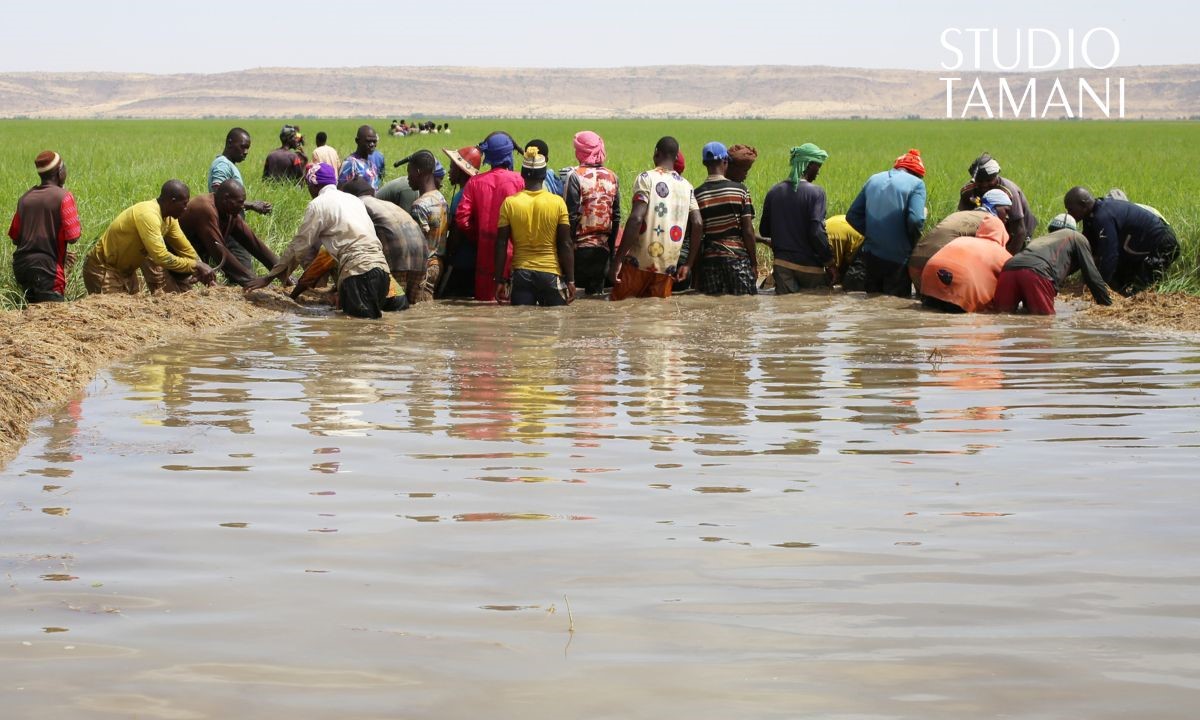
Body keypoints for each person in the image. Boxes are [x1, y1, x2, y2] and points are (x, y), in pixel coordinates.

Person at [245, 163, 406, 318]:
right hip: (382, 271)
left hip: (358, 273)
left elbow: (298, 246)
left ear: (314, 186)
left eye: (308, 186)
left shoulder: (318, 204)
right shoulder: (353, 200)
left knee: (357, 330)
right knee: (371, 328)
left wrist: (269, 277)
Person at [84, 180, 215, 294]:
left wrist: (203, 269)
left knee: (133, 311)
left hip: (127, 273)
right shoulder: (148, 215)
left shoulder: (169, 219)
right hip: (104, 269)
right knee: (114, 312)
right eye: (184, 204)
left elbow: (184, 248)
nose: (186, 208)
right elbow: (161, 257)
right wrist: (194, 265)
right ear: (172, 201)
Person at [610, 136, 701, 301]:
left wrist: (618, 259)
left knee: (621, 306)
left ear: (656, 153)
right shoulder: (687, 186)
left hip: (638, 262)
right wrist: (688, 264)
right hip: (667, 267)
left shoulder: (646, 178)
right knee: (659, 311)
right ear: (676, 157)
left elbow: (636, 218)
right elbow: (697, 222)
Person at [492, 147, 575, 306]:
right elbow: (565, 243)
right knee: (556, 320)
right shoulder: (558, 203)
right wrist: (570, 280)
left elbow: (501, 243)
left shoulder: (510, 203)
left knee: (521, 320)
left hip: (521, 275)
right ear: (544, 175)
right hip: (550, 273)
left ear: (522, 174)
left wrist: (499, 280)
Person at [1064, 186, 1179, 296]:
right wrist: (1062, 274)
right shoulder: (1090, 217)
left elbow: (1110, 255)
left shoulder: (1103, 216)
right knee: (1117, 283)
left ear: (1083, 205)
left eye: (1070, 209)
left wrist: (1098, 287)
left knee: (1139, 291)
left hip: (1162, 244)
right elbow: (1085, 250)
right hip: (1138, 245)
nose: (1068, 214)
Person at [845, 149, 927, 297]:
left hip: (871, 256)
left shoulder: (874, 179)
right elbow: (916, 220)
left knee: (872, 300)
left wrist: (872, 233)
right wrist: (914, 243)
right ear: (917, 173)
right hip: (898, 258)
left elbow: (852, 216)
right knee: (895, 305)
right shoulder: (917, 184)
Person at [993, 214, 1112, 315]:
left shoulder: (1039, 240)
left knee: (1001, 316)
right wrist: (1107, 305)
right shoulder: (1076, 236)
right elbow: (1091, 274)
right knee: (1044, 323)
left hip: (1008, 270)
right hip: (1036, 273)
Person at [455, 131, 525, 300]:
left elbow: (462, 219)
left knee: (485, 305)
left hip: (484, 254)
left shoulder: (474, 182)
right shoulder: (520, 181)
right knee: (512, 304)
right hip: (514, 254)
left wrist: (478, 236)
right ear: (508, 155)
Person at [918, 189, 1013, 313]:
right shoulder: (1003, 255)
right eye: (1006, 211)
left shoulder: (962, 239)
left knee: (929, 311)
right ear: (1004, 235)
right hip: (961, 289)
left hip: (929, 276)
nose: (1008, 216)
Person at [7, 151, 82, 303]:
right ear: (59, 173)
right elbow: (73, 237)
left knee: (32, 314)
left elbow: (16, 238)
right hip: (49, 272)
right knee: (53, 316)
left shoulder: (25, 199)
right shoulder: (64, 196)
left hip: (22, 269)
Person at [178, 179, 282, 287]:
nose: (243, 206)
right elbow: (219, 252)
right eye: (240, 202)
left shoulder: (229, 211)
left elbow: (254, 244)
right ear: (226, 199)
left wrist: (283, 271)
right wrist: (252, 280)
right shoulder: (205, 208)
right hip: (175, 259)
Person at [342, 179, 430, 303]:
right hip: (421, 255)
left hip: (397, 258)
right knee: (415, 306)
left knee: (395, 306)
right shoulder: (387, 204)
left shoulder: (357, 205)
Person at [759, 143, 830, 293]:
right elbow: (816, 232)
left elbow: (764, 230)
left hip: (782, 264)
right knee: (813, 305)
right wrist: (830, 262)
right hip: (811, 267)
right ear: (808, 165)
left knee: (786, 305)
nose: (818, 172)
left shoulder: (774, 191)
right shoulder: (817, 193)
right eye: (818, 166)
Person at [692, 142, 757, 296]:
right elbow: (748, 231)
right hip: (737, 259)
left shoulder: (697, 194)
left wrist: (696, 273)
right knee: (745, 305)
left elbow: (697, 235)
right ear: (725, 162)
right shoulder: (740, 191)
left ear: (704, 164)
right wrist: (754, 263)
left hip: (710, 263)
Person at [563, 131, 620, 296]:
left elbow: (570, 217)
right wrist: (611, 252)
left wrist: (566, 250)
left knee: (572, 298)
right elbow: (616, 217)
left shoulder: (575, 176)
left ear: (580, 152)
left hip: (578, 251)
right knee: (596, 299)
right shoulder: (612, 177)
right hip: (602, 253)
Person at [957, 153, 1036, 252]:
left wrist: (1007, 257)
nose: (984, 185)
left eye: (989, 180)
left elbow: (1019, 231)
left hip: (1017, 231)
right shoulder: (967, 192)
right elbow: (963, 222)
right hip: (989, 228)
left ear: (996, 176)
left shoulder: (1009, 192)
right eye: (980, 181)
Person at [439, 145, 484, 298]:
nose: (449, 172)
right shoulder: (476, 191)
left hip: (460, 263)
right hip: (476, 262)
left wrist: (448, 256)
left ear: (460, 171)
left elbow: (456, 234)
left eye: (452, 167)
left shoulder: (461, 197)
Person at [407, 151, 450, 299]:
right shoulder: (441, 198)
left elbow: (417, 244)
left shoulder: (419, 205)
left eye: (409, 172)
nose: (408, 177)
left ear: (418, 172)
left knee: (418, 305)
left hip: (424, 266)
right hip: (438, 264)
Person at [208, 128, 272, 214]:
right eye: (242, 147)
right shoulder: (223, 165)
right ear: (230, 143)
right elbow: (218, 196)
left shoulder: (228, 164)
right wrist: (251, 205)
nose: (246, 152)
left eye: (247, 148)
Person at [339, 125, 385, 190]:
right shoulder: (351, 163)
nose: (372, 144)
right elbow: (341, 189)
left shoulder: (370, 163)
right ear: (357, 141)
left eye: (374, 141)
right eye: (368, 141)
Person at [825, 215, 864, 286]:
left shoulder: (825, 242)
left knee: (850, 281)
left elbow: (833, 268)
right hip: (845, 228)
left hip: (860, 242)